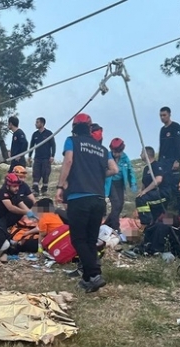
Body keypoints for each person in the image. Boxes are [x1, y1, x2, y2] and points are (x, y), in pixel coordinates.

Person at [55, 112, 118, 293]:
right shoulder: (102, 149)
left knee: (78, 239)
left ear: (74, 128)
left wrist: (60, 186)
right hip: (99, 199)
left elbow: (68, 160)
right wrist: (98, 176)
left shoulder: (71, 141)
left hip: (79, 198)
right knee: (90, 240)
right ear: (90, 128)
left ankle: (95, 274)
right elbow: (114, 169)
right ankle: (87, 279)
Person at [104, 137, 137, 231]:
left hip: (120, 183)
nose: (115, 154)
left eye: (118, 152)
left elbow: (130, 171)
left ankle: (106, 224)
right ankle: (115, 227)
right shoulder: (108, 156)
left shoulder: (125, 158)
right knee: (116, 204)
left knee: (121, 204)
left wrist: (133, 183)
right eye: (114, 151)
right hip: (110, 183)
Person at [158, 106, 180, 213]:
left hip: (173, 161)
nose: (162, 117)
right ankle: (166, 213)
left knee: (176, 188)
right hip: (163, 162)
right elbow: (161, 147)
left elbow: (179, 145)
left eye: (164, 115)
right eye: (161, 115)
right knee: (164, 187)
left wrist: (177, 160)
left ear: (169, 115)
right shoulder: (162, 130)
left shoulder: (176, 127)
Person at [135, 146, 167, 226]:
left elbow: (158, 180)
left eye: (142, 153)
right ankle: (151, 225)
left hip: (161, 194)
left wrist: (145, 192)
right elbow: (143, 185)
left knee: (141, 199)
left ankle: (146, 223)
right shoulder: (146, 169)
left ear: (146, 154)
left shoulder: (157, 165)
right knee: (140, 198)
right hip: (151, 196)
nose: (140, 155)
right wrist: (141, 192)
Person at [28, 117, 56, 195]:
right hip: (37, 158)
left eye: (37, 122)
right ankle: (35, 190)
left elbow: (53, 145)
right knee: (36, 174)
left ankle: (44, 190)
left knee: (45, 174)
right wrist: (29, 156)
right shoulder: (35, 134)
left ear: (42, 123)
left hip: (46, 158)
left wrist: (52, 156)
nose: (36, 124)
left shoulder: (49, 133)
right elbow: (32, 146)